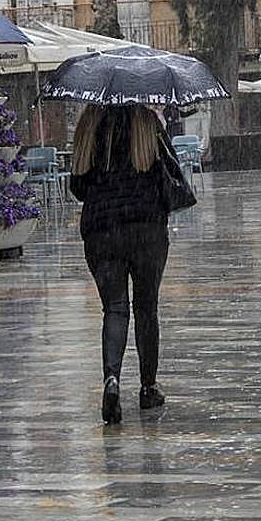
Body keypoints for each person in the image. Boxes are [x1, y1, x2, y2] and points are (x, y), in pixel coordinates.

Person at [70, 104, 177, 424]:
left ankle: (112, 379)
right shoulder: (147, 123)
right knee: (146, 308)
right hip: (146, 229)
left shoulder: (89, 123)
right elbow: (166, 175)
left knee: (115, 308)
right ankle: (147, 388)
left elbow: (77, 188)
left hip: (102, 232)